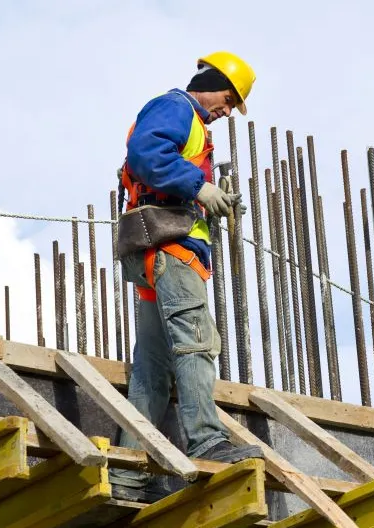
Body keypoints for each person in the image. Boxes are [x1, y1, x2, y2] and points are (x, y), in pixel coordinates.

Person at [109, 52, 262, 502]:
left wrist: (210, 200)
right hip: (172, 251)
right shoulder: (177, 107)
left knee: (152, 370)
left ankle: (129, 475)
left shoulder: (193, 126)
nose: (227, 111)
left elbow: (164, 171)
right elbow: (146, 154)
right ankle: (207, 439)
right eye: (229, 99)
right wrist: (200, 188)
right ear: (211, 82)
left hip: (158, 252)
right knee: (196, 342)